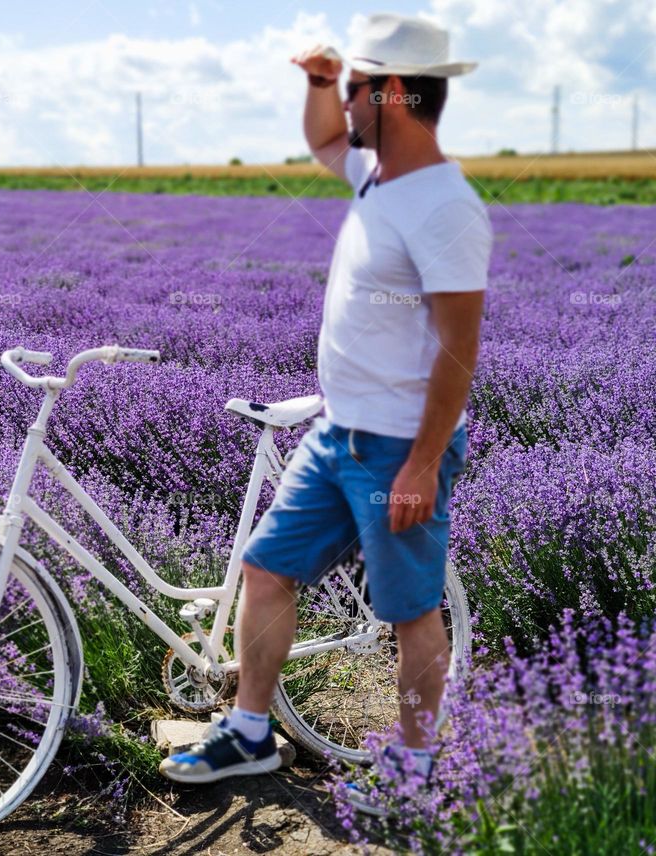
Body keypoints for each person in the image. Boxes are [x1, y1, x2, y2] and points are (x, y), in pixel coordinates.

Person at [159, 13, 493, 815]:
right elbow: (322, 142)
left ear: (393, 93)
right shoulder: (379, 176)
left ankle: (415, 773)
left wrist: (422, 462)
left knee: (409, 612)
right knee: (266, 568)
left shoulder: (445, 207)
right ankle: (249, 731)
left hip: (397, 446)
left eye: (353, 87)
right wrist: (316, 79)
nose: (344, 102)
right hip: (336, 432)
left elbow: (459, 349)